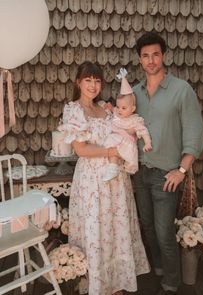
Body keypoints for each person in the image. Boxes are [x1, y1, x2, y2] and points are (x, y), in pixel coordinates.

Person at [59, 61, 150, 295]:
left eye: (97, 80)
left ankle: (115, 282)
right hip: (92, 181)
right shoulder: (74, 110)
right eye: (88, 80)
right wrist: (112, 152)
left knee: (114, 230)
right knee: (96, 229)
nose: (93, 85)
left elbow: (124, 128)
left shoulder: (105, 108)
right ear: (78, 82)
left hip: (116, 180)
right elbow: (81, 150)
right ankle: (97, 284)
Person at [132, 32, 203, 295]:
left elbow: (194, 133)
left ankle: (171, 283)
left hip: (166, 174)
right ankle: (159, 269)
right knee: (148, 227)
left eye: (155, 54)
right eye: (145, 55)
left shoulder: (181, 90)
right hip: (139, 173)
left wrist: (182, 170)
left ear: (163, 56)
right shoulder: (134, 93)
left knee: (164, 233)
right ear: (140, 60)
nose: (151, 60)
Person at [103, 68, 152, 181]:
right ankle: (113, 168)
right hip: (115, 140)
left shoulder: (135, 120)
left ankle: (115, 168)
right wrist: (111, 108)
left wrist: (147, 142)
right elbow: (113, 110)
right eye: (118, 106)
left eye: (124, 108)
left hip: (126, 143)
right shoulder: (117, 113)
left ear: (133, 108)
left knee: (120, 153)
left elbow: (143, 131)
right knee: (112, 150)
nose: (120, 110)